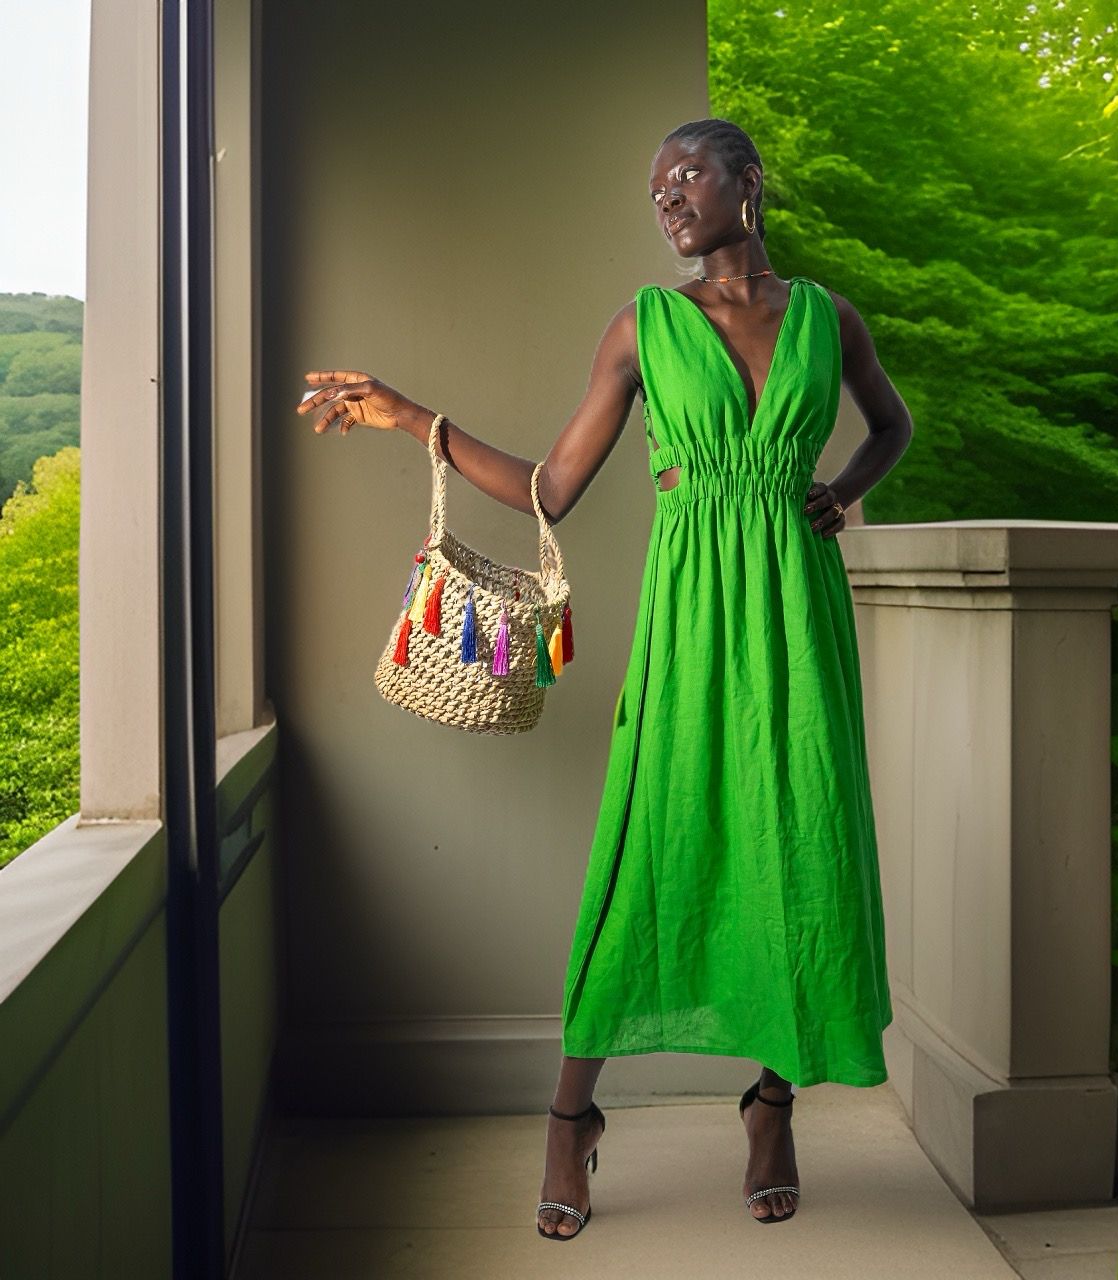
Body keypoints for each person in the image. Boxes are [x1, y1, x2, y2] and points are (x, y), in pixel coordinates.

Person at [295, 117, 913, 1240]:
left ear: (747, 183)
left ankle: (770, 1105)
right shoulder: (643, 325)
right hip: (691, 621)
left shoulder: (829, 318)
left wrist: (838, 489)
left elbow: (891, 425)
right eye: (653, 186)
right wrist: (409, 417)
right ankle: (567, 1118)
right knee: (646, 847)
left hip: (797, 616)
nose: (667, 197)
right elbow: (549, 487)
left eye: (686, 174)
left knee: (795, 846)